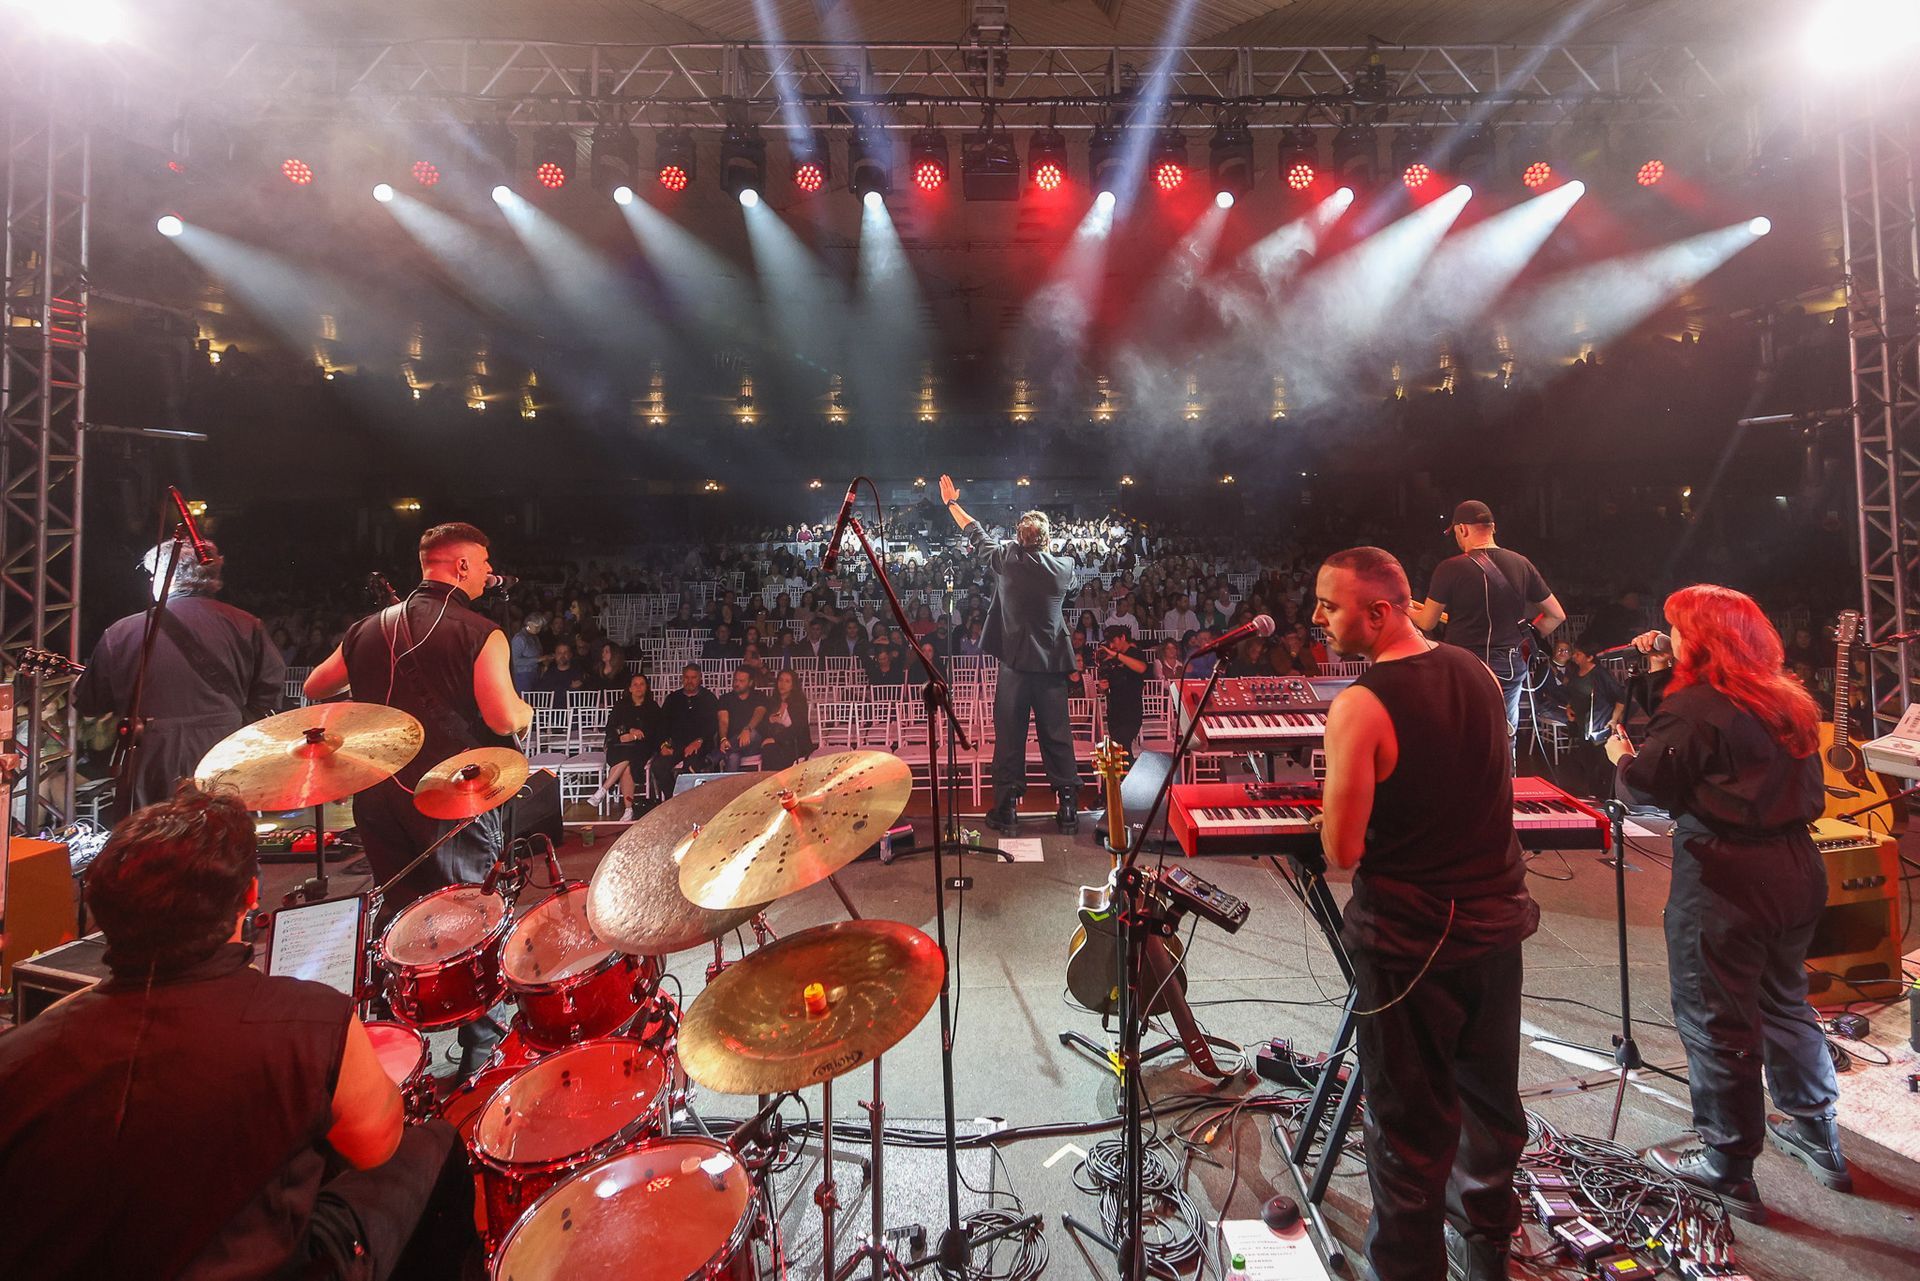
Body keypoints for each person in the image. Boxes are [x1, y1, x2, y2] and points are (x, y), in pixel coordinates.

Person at [0, 786, 477, 1280]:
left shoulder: (18, 1054)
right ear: (250, 896)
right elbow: (374, 1147)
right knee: (434, 1144)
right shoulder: (310, 1021)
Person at [1312, 546, 1539, 1281]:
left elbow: (1343, 848)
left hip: (1412, 945)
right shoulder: (1477, 671)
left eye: (1330, 604)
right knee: (1489, 1111)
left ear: (1379, 612)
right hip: (1496, 929)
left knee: (1408, 1130)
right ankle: (1487, 1259)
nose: (1316, 618)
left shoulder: (1362, 703)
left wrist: (1326, 801)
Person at [1606, 585, 1846, 1221]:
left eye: (1677, 631)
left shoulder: (1695, 708)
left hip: (1725, 875)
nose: (1670, 640)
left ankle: (1727, 1165)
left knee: (1717, 1018)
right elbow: (1711, 742)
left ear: (1703, 641)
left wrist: (1622, 760)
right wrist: (1664, 673)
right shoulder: (1785, 698)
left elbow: (1653, 787)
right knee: (1785, 999)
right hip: (1796, 866)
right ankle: (1816, 1131)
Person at [304, 522, 532, 1075]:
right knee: (468, 911)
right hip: (451, 794)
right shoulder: (481, 632)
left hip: (379, 795)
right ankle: (483, 1043)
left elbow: (315, 686)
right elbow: (502, 716)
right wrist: (524, 713)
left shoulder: (365, 628)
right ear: (458, 566)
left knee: (402, 912)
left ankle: (399, 1043)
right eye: (482, 565)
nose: (486, 575)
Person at [75, 538, 286, 817]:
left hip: (152, 751)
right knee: (224, 834)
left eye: (151, 575)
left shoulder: (122, 632)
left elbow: (91, 702)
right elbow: (270, 688)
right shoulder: (246, 624)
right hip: (226, 745)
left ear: (163, 577)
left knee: (156, 839)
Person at [939, 475, 1081, 833]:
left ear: (1019, 539)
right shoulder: (1064, 568)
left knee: (1009, 737)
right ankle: (1067, 809)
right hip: (1051, 669)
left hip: (1015, 668)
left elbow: (976, 532)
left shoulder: (1007, 559)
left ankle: (1008, 810)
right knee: (1057, 736)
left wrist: (952, 504)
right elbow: (1048, 560)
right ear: (1047, 540)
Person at [1409, 500, 1567, 758]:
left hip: (1465, 664)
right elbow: (1556, 615)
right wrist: (1526, 637)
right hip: (1509, 663)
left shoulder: (1450, 568)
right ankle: (1504, 786)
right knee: (1503, 734)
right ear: (1492, 527)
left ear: (1462, 529)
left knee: (1464, 733)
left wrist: (1405, 607)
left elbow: (1427, 621)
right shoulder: (1521, 563)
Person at [591, 673, 667, 820]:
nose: (638, 687)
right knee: (626, 763)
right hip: (619, 744)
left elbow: (654, 730)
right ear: (630, 688)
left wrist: (635, 736)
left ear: (646, 688)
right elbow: (611, 726)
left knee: (629, 760)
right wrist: (627, 732)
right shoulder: (621, 705)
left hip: (641, 747)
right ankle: (628, 810)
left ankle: (604, 789)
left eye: (642, 684)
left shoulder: (652, 707)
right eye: (635, 684)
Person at [1560, 640, 1626, 797]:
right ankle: (1593, 794)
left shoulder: (1600, 675)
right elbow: (1572, 693)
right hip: (1582, 724)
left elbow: (1621, 697)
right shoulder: (1575, 672)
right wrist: (1569, 707)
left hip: (1599, 724)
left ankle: (1606, 797)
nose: (1574, 656)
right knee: (1586, 761)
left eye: (1578, 654)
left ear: (1589, 657)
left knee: (1601, 764)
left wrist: (1614, 719)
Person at [656, 663, 720, 795]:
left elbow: (713, 725)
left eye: (693, 677)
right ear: (682, 678)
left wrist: (698, 741)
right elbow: (662, 725)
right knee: (658, 766)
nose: (689, 681)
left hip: (701, 745)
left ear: (700, 678)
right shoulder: (673, 699)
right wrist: (663, 745)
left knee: (691, 766)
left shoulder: (709, 698)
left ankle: (689, 802)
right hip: (677, 745)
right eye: (686, 677)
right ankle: (673, 800)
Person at [1095, 625, 1148, 753]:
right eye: (1109, 642)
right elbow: (1104, 687)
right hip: (1114, 711)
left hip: (1131, 710)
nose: (1111, 645)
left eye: (1114, 641)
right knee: (1119, 749)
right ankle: (1127, 772)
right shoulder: (1108, 659)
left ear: (1123, 637)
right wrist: (1102, 688)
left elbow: (1141, 668)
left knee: (1124, 745)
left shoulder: (1135, 653)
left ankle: (1130, 772)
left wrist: (1117, 655)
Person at [761, 668, 815, 770]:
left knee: (774, 751)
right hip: (776, 742)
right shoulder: (772, 702)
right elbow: (764, 726)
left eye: (787, 681)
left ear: (793, 685)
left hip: (795, 742)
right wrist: (770, 720)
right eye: (780, 680)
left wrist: (775, 739)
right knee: (768, 749)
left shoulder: (799, 703)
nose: (782, 684)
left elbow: (798, 728)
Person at [716, 667, 769, 770]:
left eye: (741, 681)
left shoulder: (759, 696)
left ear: (750, 683)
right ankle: (731, 786)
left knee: (752, 734)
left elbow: (759, 713)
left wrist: (747, 729)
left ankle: (716, 756)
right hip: (732, 746)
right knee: (732, 757)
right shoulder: (725, 698)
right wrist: (723, 739)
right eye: (735, 680)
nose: (737, 683)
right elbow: (723, 721)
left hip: (752, 744)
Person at [509, 613, 545, 692]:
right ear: (529, 624)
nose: (539, 630)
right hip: (522, 676)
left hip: (535, 674)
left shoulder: (535, 638)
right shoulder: (519, 639)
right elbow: (515, 661)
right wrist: (537, 659)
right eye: (537, 627)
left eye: (540, 627)